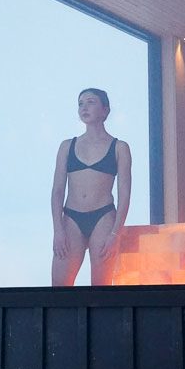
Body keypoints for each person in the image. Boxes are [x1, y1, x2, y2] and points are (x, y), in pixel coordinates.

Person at [51, 88, 132, 287]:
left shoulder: (119, 147)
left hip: (103, 217)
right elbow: (57, 191)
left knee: (101, 288)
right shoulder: (67, 146)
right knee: (58, 289)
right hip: (71, 218)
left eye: (90, 102)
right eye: (80, 104)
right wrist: (57, 230)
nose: (84, 107)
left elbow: (125, 195)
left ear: (105, 110)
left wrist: (116, 233)